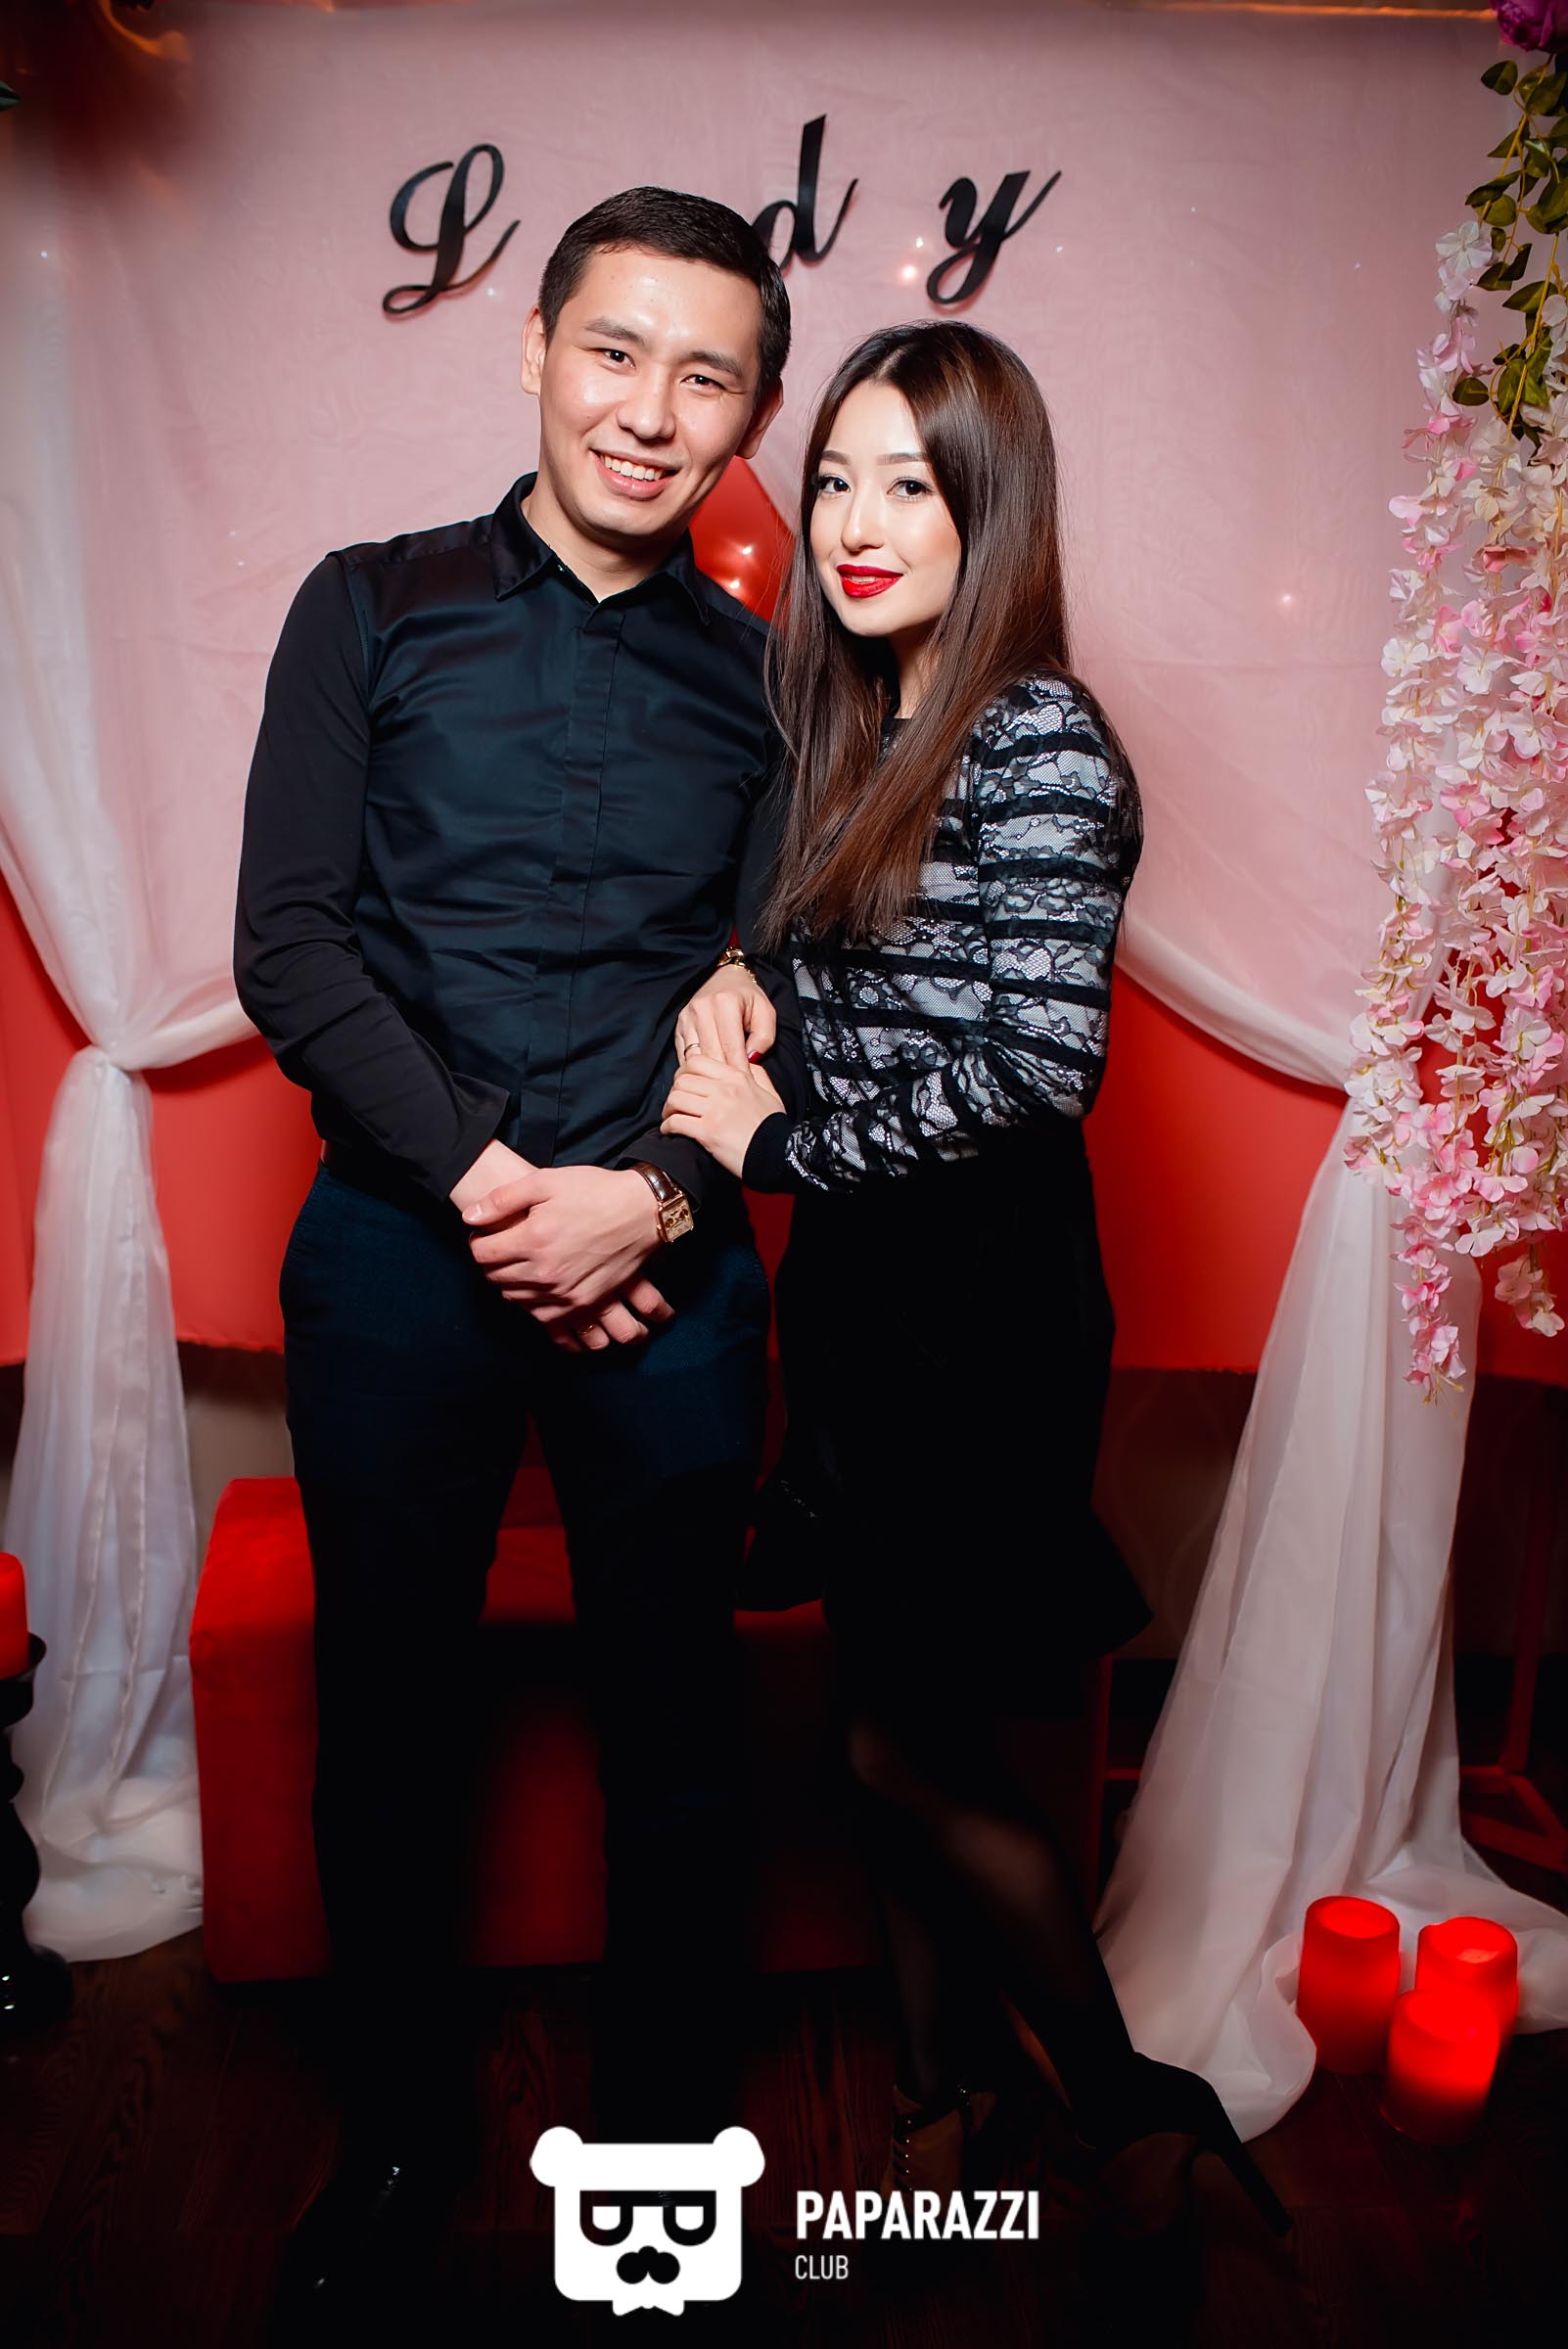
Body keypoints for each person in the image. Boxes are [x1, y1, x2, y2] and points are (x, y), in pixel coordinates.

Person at [662, 321, 1290, 2277]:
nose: (856, 521)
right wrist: (737, 987)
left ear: (988, 512)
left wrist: (778, 1147)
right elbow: (822, 970)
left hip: (981, 1309)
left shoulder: (1033, 738)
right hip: (863, 1293)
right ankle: (943, 2099)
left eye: (908, 486)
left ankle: (1126, 2103)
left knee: (898, 1745)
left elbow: (1036, 1065)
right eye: (834, 479)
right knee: (887, 1710)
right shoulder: (854, 718)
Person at [234, 185, 792, 2313]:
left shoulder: (774, 686)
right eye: (615, 350)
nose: (650, 409)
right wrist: (499, 1195)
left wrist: (645, 1202)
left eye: (705, 377)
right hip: (398, 1251)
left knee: (679, 1734)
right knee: (388, 1725)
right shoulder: (365, 604)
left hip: (665, 1265)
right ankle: (393, 2145)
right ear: (537, 348)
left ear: (749, 421)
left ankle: (655, 2172)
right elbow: (292, 943)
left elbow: (781, 992)